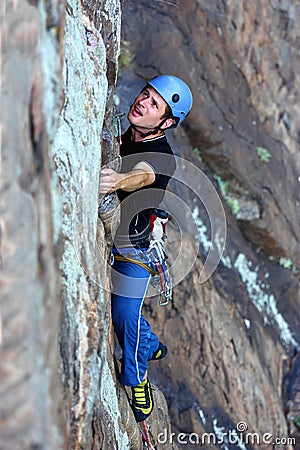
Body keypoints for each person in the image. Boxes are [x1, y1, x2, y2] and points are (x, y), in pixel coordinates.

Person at [99, 75, 193, 422]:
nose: (142, 102)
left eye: (154, 104)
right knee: (129, 316)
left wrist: (120, 180)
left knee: (124, 315)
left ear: (166, 123)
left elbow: (144, 174)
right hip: (119, 234)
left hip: (134, 247)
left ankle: (137, 377)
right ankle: (150, 345)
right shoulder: (122, 130)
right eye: (145, 94)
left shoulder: (162, 156)